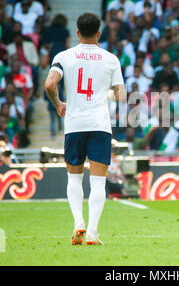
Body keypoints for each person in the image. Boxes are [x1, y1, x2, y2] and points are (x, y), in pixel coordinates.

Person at [45, 12, 126, 245]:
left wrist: (59, 103)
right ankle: (92, 231)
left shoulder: (64, 56)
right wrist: (106, 94)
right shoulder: (110, 59)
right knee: (98, 181)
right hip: (100, 125)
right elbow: (121, 95)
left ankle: (78, 223)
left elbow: (50, 83)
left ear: (77, 32)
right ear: (99, 33)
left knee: (74, 178)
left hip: (74, 125)